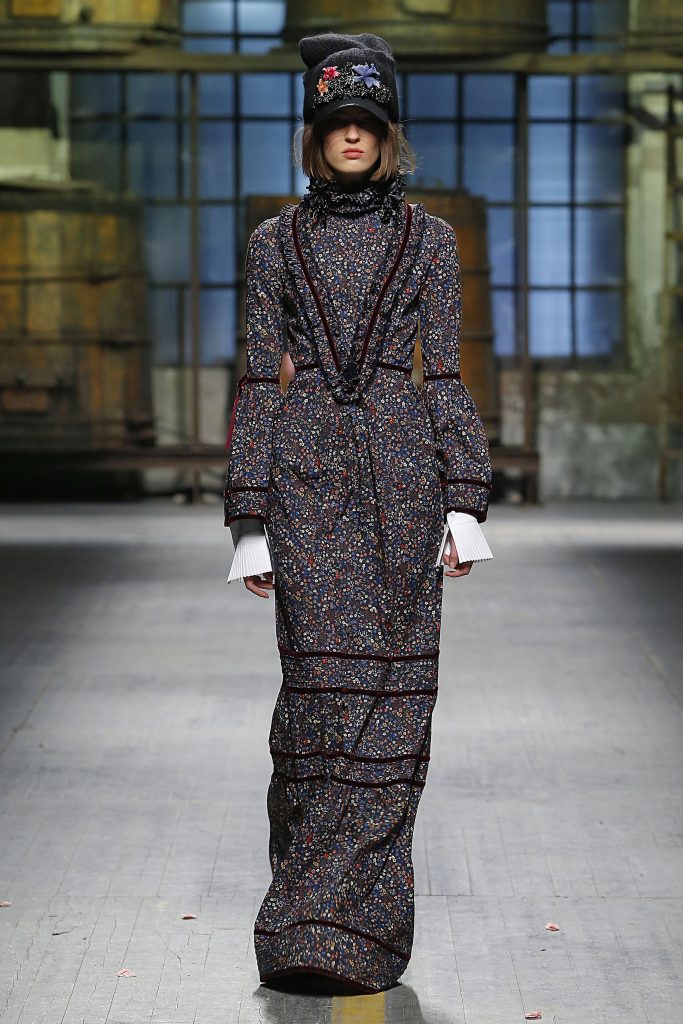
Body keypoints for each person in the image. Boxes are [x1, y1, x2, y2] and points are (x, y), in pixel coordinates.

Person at [223, 31, 493, 995]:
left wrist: (464, 500)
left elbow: (445, 373)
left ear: (388, 135)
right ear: (314, 133)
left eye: (366, 122)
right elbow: (259, 376)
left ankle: (360, 936)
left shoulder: (428, 241)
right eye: (335, 121)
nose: (350, 135)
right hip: (303, 476)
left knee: (393, 702)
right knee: (316, 698)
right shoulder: (274, 242)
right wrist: (248, 516)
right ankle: (301, 927)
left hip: (401, 474)